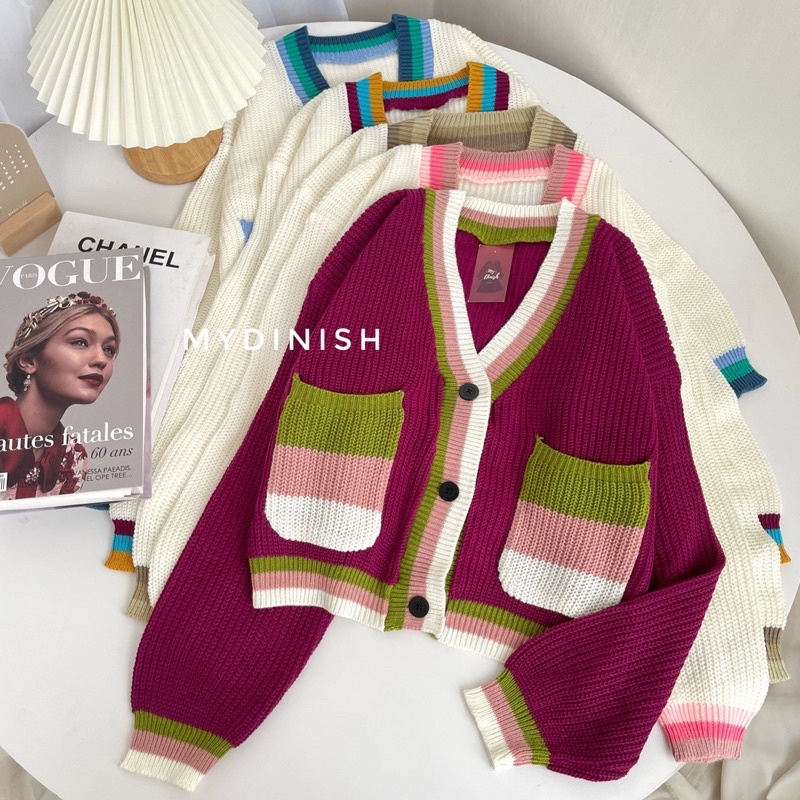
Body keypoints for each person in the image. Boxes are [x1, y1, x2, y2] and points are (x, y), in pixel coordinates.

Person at [1, 291, 119, 500]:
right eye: (80, 342)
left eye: (108, 349)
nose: (101, 359)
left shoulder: (73, 458)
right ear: (29, 360)